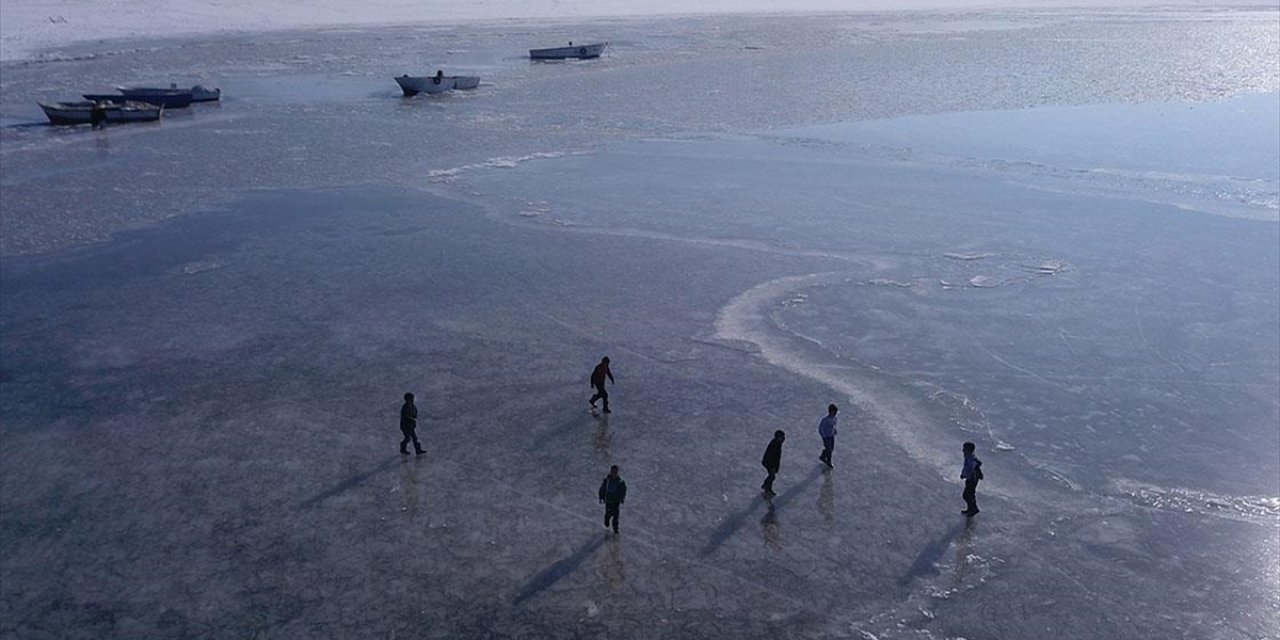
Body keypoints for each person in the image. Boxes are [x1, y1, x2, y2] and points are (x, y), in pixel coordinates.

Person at [598, 465, 627, 533]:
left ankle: (615, 528)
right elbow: (602, 489)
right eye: (613, 472)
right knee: (609, 513)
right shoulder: (607, 481)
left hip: (616, 501)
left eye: (615, 472)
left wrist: (622, 498)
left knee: (616, 515)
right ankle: (607, 519)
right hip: (609, 501)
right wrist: (601, 497)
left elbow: (623, 490)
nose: (614, 474)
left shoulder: (620, 482)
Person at [961, 441, 984, 516]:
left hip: (972, 479)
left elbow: (975, 466)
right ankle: (970, 509)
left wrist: (976, 475)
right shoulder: (968, 457)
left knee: (966, 495)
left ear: (968, 450)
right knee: (970, 494)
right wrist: (963, 475)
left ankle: (974, 509)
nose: (962, 450)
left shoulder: (971, 459)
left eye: (964, 449)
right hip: (970, 478)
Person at [761, 430, 785, 497]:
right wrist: (772, 466)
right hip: (768, 462)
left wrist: (776, 467)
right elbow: (770, 455)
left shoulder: (778, 443)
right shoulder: (774, 444)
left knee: (772, 476)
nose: (782, 438)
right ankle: (767, 490)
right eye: (780, 437)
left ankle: (766, 487)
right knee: (772, 476)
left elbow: (777, 457)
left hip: (771, 463)